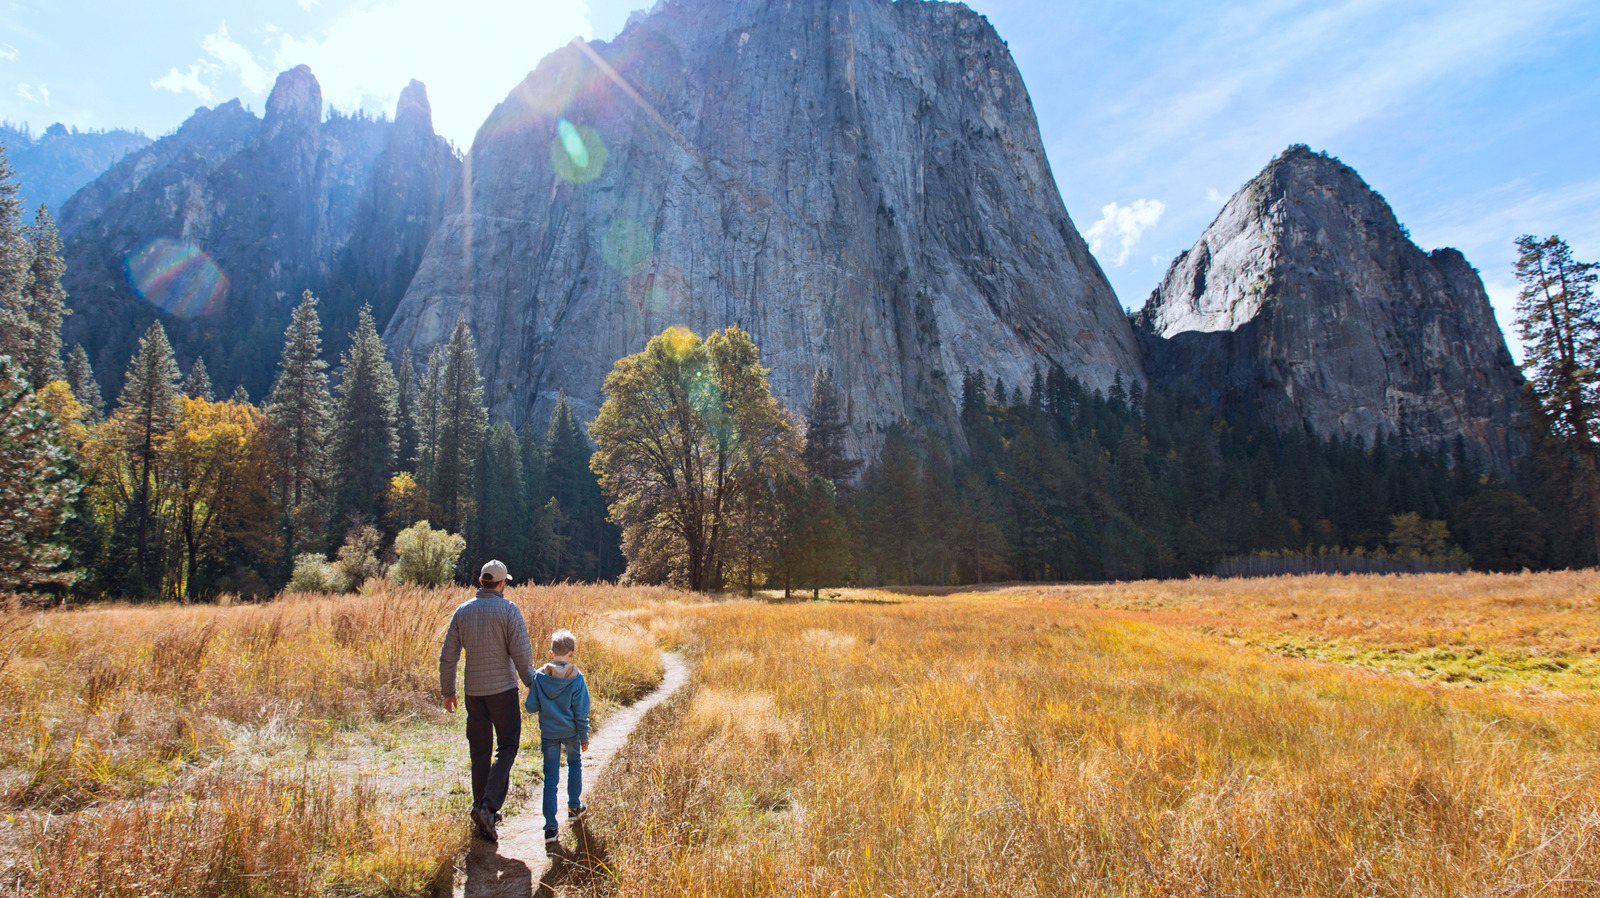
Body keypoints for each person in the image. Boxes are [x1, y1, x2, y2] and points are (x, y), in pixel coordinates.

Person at [439, 559, 535, 842]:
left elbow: (448, 656)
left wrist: (448, 691)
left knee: (479, 751)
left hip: (473, 694)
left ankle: (479, 808)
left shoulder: (462, 612)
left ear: (481, 582)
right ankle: (488, 806)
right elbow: (522, 654)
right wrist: (534, 685)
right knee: (507, 746)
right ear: (502, 583)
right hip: (503, 691)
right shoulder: (508, 610)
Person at [526, 628, 592, 844]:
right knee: (574, 765)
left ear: (551, 653)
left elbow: (531, 707)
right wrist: (583, 736)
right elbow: (581, 711)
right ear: (572, 653)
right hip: (571, 732)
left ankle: (550, 828)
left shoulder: (539, 677)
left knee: (550, 778)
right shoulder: (576, 678)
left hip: (549, 734)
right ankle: (574, 806)